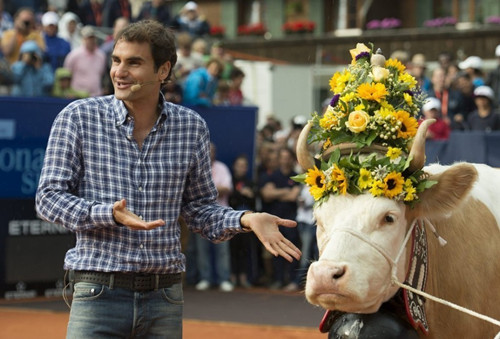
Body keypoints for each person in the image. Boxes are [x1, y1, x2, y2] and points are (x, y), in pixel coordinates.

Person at [35, 20, 300, 338]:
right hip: (97, 291)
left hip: (165, 298)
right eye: (117, 60)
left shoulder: (192, 127)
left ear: (163, 70)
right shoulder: (77, 118)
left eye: (134, 62)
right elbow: (48, 198)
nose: (120, 71)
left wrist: (246, 219)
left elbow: (200, 211)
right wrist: (109, 214)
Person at [194, 143, 234, 292]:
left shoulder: (222, 168)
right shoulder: (197, 167)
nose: (209, 153)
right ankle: (205, 278)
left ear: (215, 153)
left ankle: (224, 279)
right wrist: (216, 190)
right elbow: (193, 191)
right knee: (202, 250)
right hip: (201, 215)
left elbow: (228, 188)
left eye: (212, 151)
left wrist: (206, 191)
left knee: (222, 249)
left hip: (221, 215)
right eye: (207, 150)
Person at [260, 147, 301, 290]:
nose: (285, 160)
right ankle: (277, 279)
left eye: (287, 157)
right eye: (282, 157)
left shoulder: (296, 176)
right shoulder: (273, 175)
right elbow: (266, 195)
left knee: (291, 249)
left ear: (291, 159)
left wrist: (276, 193)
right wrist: (285, 191)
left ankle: (290, 279)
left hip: (291, 220)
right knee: (276, 250)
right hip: (274, 220)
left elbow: (293, 196)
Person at [229, 153, 257, 287]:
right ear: (234, 167)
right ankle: (233, 278)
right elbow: (229, 199)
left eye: (244, 166)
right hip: (230, 221)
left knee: (245, 250)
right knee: (233, 250)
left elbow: (254, 199)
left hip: (247, 222)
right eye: (239, 165)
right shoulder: (230, 182)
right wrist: (240, 193)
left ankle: (244, 278)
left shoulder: (250, 182)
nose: (242, 168)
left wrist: (249, 195)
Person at [63, 25, 106, 96]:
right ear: (83, 39)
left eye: (93, 38)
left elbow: (102, 74)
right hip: (77, 96)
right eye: (88, 38)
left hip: (96, 95)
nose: (91, 41)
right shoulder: (74, 55)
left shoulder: (101, 55)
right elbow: (66, 74)